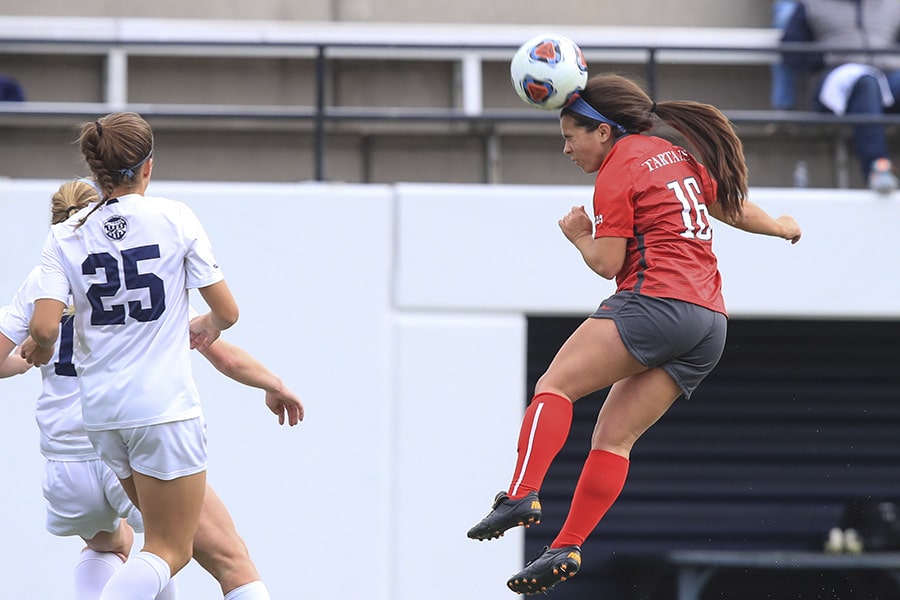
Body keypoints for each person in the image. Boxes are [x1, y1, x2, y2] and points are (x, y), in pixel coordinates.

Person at [466, 74, 803, 595]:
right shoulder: (676, 154)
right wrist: (782, 225)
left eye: (570, 135)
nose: (566, 148)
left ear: (602, 132)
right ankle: (567, 545)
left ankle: (520, 494)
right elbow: (731, 207)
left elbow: (608, 263)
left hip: (655, 304)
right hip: (709, 324)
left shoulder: (618, 166)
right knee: (614, 438)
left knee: (554, 388)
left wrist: (579, 236)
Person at [8, 178, 303, 600]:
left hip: (65, 458)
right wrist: (274, 383)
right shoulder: (133, 274)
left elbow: (18, 350)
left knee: (114, 545)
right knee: (223, 559)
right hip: (133, 436)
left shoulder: (43, 282)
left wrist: (30, 355)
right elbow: (222, 353)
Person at [23, 112, 240, 600]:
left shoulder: (66, 234)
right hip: (163, 407)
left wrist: (38, 347)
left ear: (95, 170)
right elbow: (226, 311)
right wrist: (207, 325)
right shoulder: (175, 217)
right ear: (147, 167)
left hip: (101, 415)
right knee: (172, 549)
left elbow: (41, 325)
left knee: (143, 548)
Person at [781, 0, 900, 193]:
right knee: (865, 82)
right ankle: (878, 168)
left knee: (875, 81)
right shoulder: (811, 5)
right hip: (834, 79)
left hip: (886, 75)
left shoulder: (893, 4)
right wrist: (828, 58)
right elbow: (791, 51)